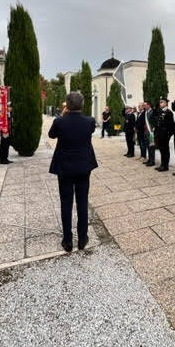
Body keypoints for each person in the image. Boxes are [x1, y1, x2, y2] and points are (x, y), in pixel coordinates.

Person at [48, 91, 98, 253]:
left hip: (64, 167)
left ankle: (67, 241)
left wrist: (63, 116)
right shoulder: (89, 121)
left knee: (66, 203)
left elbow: (51, 134)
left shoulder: (60, 122)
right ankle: (82, 238)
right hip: (84, 166)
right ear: (82, 104)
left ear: (67, 105)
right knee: (82, 202)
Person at [153, 96, 174, 172]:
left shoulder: (169, 112)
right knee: (161, 150)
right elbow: (154, 113)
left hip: (165, 135)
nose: (160, 103)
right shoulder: (160, 111)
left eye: (161, 102)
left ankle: (165, 166)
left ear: (166, 103)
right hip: (159, 134)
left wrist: (168, 136)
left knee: (165, 150)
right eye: (160, 102)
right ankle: (162, 164)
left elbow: (171, 126)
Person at [143, 100, 156, 167]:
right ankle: (149, 159)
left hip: (151, 132)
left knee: (151, 147)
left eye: (145, 105)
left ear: (149, 105)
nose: (144, 106)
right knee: (148, 146)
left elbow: (154, 122)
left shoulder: (152, 112)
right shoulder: (146, 112)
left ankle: (152, 161)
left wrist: (153, 131)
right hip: (146, 132)